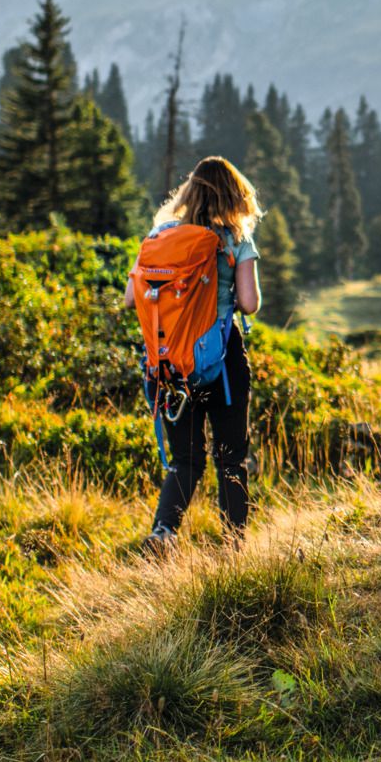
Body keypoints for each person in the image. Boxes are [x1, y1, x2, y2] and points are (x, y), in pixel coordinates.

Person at [128, 156, 261, 548]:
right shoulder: (235, 238)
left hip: (170, 368)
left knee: (186, 460)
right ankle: (233, 545)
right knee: (230, 457)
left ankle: (163, 533)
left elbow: (129, 297)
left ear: (189, 193)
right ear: (235, 195)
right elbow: (250, 304)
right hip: (220, 362)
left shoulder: (160, 237)